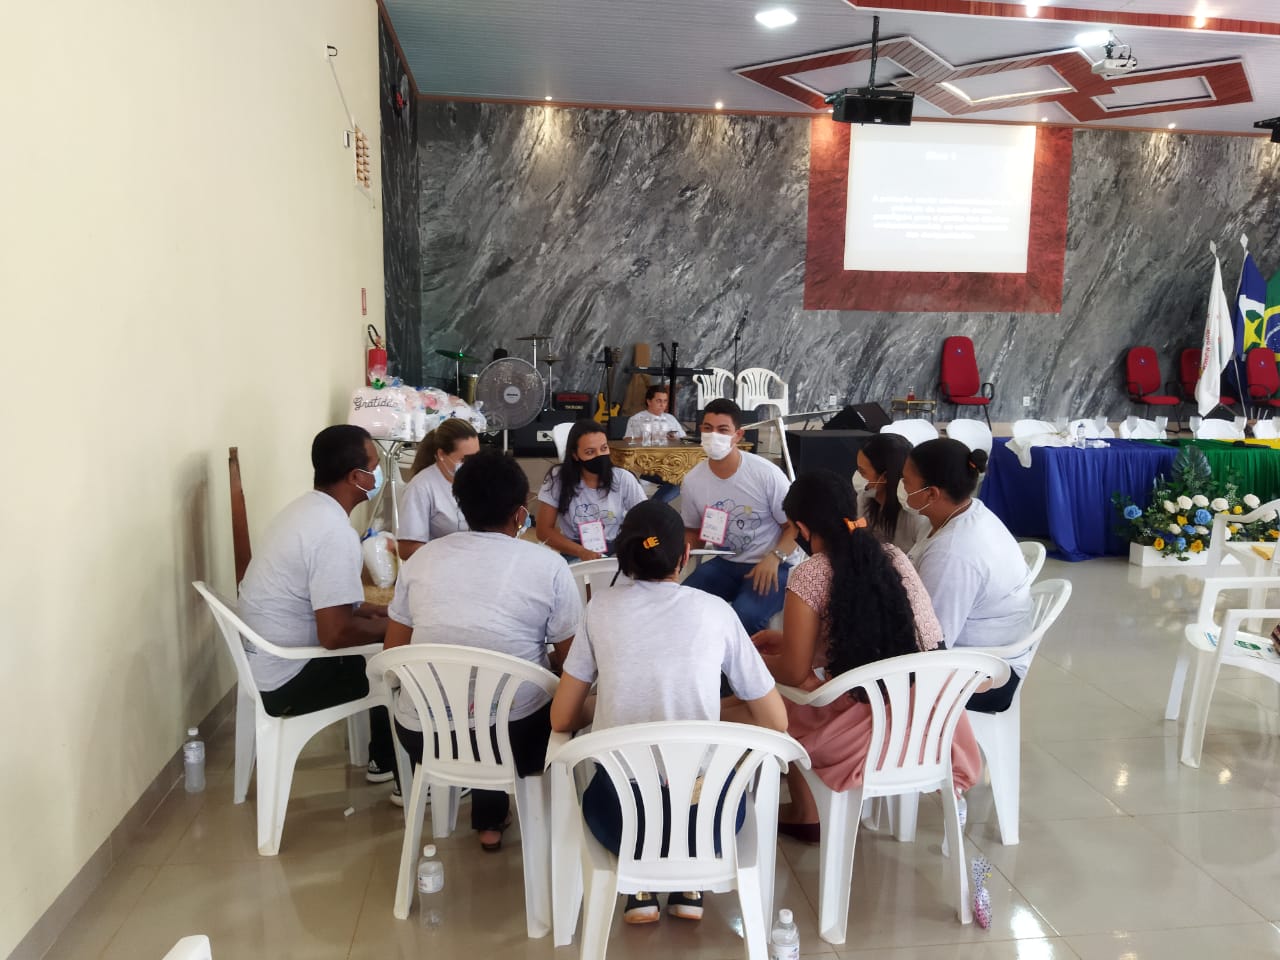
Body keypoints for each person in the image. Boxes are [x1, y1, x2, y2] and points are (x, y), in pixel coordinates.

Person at [551, 501, 787, 924]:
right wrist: (709, 713)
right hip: (710, 820)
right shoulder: (716, 611)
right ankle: (688, 884)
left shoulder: (600, 609)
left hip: (621, 819)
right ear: (685, 556)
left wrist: (608, 703)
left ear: (624, 557)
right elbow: (776, 721)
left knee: (611, 787)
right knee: (702, 782)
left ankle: (639, 886)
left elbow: (561, 719)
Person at [741, 470, 970, 841]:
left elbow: (795, 673)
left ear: (802, 528)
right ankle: (809, 808)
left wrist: (747, 662)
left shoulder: (810, 573)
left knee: (764, 704)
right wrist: (786, 641)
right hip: (932, 721)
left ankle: (806, 812)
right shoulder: (892, 556)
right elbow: (870, 636)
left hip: (864, 732)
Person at [384, 449, 581, 850]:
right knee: (533, 694)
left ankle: (489, 821)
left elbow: (393, 652)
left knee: (481, 689)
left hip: (424, 735)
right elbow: (572, 662)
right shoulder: (548, 566)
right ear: (520, 513)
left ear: (461, 505)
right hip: (517, 740)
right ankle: (552, 821)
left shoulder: (421, 560)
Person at [237, 424, 397, 794]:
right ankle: (395, 768)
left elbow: (318, 603)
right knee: (398, 662)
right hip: (288, 681)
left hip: (262, 666)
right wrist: (397, 628)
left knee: (383, 632)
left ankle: (384, 759)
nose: (377, 476)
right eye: (374, 467)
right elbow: (335, 634)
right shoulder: (333, 532)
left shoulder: (303, 510)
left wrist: (372, 614)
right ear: (355, 477)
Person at [900, 438, 1032, 713]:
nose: (901, 488)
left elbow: (930, 643)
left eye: (906, 481)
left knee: (860, 675)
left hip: (987, 674)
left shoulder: (953, 553)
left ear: (931, 493)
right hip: (979, 652)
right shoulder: (963, 512)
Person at [679, 398, 798, 634]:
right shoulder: (693, 480)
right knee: (683, 604)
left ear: (738, 435)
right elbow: (693, 531)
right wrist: (677, 556)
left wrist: (775, 557)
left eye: (723, 430)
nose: (714, 435)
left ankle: (738, 659)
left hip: (773, 564)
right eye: (707, 428)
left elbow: (795, 526)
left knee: (745, 617)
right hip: (726, 562)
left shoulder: (766, 474)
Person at [536, 418, 647, 561]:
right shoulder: (558, 478)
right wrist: (581, 552)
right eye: (590, 452)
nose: (599, 455)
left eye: (604, 448)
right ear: (575, 455)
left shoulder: (622, 478)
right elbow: (543, 530)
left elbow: (646, 518)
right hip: (573, 549)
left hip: (615, 549)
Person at [396, 418, 480, 560]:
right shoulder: (420, 487)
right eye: (465, 460)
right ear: (441, 455)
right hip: (438, 566)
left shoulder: (479, 480)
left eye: (477, 458)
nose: (473, 465)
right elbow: (407, 550)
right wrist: (453, 554)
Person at [854, 433, 929, 553]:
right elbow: (862, 530)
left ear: (885, 477)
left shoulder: (915, 514)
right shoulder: (866, 496)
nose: (858, 475)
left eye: (863, 471)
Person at [624, 385, 685, 504]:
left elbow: (683, 437)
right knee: (678, 480)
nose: (662, 405)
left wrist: (675, 437)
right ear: (649, 401)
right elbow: (627, 441)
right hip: (647, 464)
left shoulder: (670, 418)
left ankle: (652, 506)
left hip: (670, 462)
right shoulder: (637, 419)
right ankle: (654, 506)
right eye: (659, 401)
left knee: (682, 478)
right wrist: (649, 437)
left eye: (665, 401)